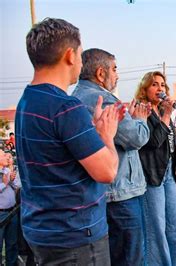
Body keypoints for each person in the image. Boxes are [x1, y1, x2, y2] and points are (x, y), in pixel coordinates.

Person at [16, 18, 120, 265]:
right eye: (82, 55)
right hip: (75, 238)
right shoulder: (65, 107)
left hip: (43, 231)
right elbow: (107, 171)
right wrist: (106, 136)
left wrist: (88, 132)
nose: (81, 62)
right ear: (70, 55)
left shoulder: (27, 100)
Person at [72, 48, 150, 266]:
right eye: (114, 69)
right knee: (130, 258)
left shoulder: (76, 97)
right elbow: (136, 137)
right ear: (100, 73)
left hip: (99, 196)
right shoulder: (102, 100)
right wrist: (139, 119)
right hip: (120, 196)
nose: (117, 75)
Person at [135, 71, 176, 265]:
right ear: (145, 89)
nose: (160, 89)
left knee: (174, 224)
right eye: (154, 84)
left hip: (168, 173)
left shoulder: (164, 113)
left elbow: (171, 141)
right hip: (152, 176)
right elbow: (153, 141)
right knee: (156, 228)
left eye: (162, 85)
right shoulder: (141, 111)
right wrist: (166, 115)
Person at [0, 150, 20, 266]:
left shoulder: (8, 170)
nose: (7, 157)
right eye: (3, 155)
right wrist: (4, 183)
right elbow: (3, 185)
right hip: (1, 214)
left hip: (11, 212)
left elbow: (16, 186)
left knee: (12, 243)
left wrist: (11, 180)